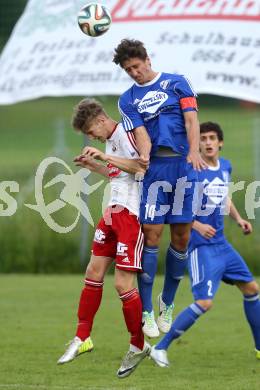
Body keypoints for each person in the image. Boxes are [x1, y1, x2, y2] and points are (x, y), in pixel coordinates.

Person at [113, 39, 207, 338]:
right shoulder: (127, 99)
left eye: (136, 67)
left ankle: (167, 302)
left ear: (147, 60)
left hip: (183, 166)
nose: (134, 73)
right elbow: (141, 133)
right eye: (128, 70)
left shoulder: (177, 82)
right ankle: (147, 312)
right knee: (151, 236)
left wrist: (194, 152)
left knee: (181, 237)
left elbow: (192, 120)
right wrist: (143, 154)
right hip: (155, 171)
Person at [149, 121, 260, 367]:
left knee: (252, 289)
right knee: (205, 302)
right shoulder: (190, 169)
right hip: (200, 247)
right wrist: (197, 225)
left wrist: (239, 218)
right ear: (197, 143)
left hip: (222, 245)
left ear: (220, 142)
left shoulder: (225, 166)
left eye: (212, 138)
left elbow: (224, 197)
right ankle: (159, 348)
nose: (208, 142)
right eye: (203, 138)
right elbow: (173, 206)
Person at [57, 98, 151, 378]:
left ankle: (138, 344)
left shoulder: (127, 133)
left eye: (90, 131)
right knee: (93, 271)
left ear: (100, 120)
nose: (91, 137)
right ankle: (82, 337)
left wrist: (104, 157)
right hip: (112, 213)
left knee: (122, 285)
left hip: (131, 216)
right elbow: (118, 176)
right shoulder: (109, 142)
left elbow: (141, 168)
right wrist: (92, 166)